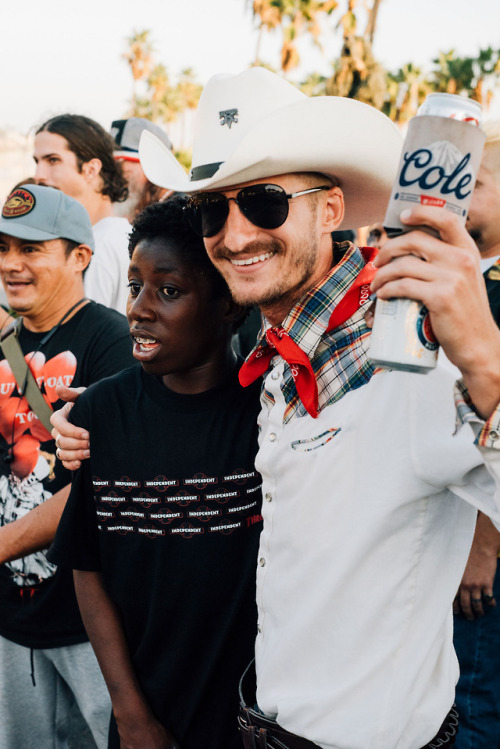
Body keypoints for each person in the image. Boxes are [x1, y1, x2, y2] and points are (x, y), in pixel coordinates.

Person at [54, 68, 500, 749]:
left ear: (329, 209)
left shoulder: (416, 355)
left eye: (263, 202)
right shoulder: (274, 355)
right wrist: (92, 419)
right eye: (213, 209)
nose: (233, 235)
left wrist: (489, 366)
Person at [48, 196, 262, 749]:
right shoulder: (101, 414)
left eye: (169, 291)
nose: (140, 309)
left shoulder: (266, 416)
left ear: (229, 305)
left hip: (252, 715)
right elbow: (87, 566)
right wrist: (130, 715)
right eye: (135, 285)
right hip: (144, 713)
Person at [0, 184, 135, 749]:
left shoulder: (114, 342)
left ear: (81, 256)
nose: (11, 264)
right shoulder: (6, 341)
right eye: (3, 248)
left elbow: (102, 486)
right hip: (12, 622)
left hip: (90, 624)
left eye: (31, 249)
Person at [452, 119, 500, 748]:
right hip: (451, 526)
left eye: (478, 184)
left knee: (475, 695)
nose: (460, 197)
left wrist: (484, 546)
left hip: (481, 538)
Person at [34, 114, 131, 313]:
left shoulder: (98, 246)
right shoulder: (124, 233)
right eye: (37, 161)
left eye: (53, 160)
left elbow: (78, 338)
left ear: (91, 169)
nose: (39, 176)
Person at [110, 117, 174, 221]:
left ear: (152, 166)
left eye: (120, 164)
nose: (113, 175)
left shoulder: (179, 215)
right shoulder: (144, 208)